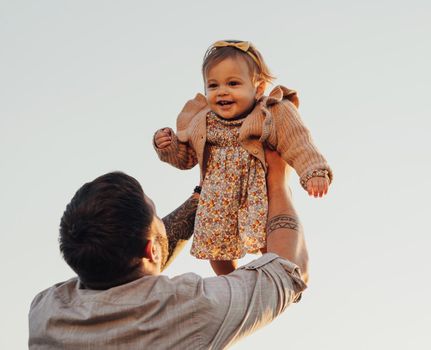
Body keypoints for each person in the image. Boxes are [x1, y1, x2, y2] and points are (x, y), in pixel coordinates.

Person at [28, 150, 309, 349]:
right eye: (155, 214)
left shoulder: (46, 312)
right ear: (150, 251)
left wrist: (203, 200)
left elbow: (125, 263)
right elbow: (288, 271)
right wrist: (277, 175)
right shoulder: (188, 307)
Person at [154, 39, 332, 275]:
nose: (222, 92)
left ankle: (278, 276)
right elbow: (186, 158)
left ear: (257, 88)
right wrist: (169, 146)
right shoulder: (201, 119)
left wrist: (314, 171)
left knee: (268, 240)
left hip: (256, 193)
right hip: (216, 200)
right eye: (213, 85)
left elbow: (298, 141)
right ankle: (228, 281)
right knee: (214, 247)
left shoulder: (270, 111)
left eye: (233, 83)